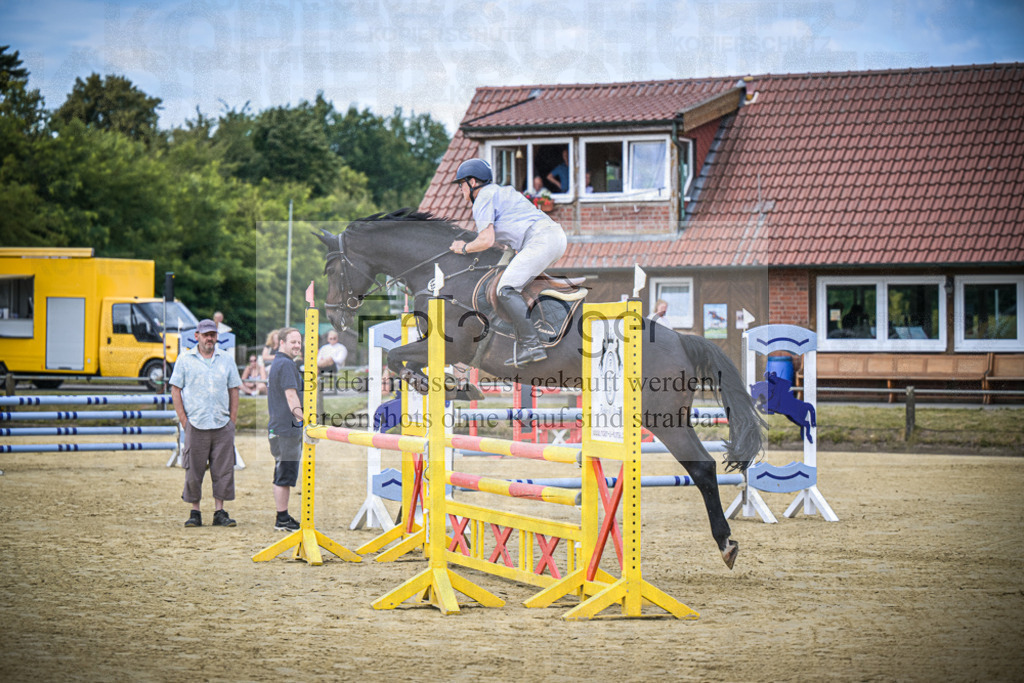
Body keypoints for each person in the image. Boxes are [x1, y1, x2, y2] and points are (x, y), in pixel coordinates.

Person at [449, 158, 568, 366]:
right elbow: (504, 245)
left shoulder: (483, 197)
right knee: (510, 281)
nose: (460, 190)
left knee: (505, 288)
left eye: (461, 184)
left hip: (541, 239)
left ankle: (532, 345)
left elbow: (486, 240)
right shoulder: (500, 192)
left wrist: (464, 248)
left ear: (473, 182)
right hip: (551, 237)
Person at [169, 318, 242, 528]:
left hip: (221, 423)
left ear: (217, 336)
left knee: (224, 469)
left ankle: (220, 511)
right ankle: (195, 511)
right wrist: (184, 420)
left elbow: (234, 389)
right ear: (197, 337)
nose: (209, 338)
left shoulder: (226, 359)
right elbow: (175, 389)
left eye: (213, 334)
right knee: (193, 469)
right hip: (196, 422)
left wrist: (232, 420)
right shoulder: (184, 359)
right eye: (206, 334)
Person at [266, 327, 305, 531]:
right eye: (293, 342)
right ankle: (282, 518)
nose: (297, 346)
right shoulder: (286, 364)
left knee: (282, 472)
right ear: (281, 343)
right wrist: (302, 421)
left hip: (278, 428)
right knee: (285, 474)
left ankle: (282, 515)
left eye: (299, 342)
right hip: (285, 429)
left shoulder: (280, 363)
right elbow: (291, 396)